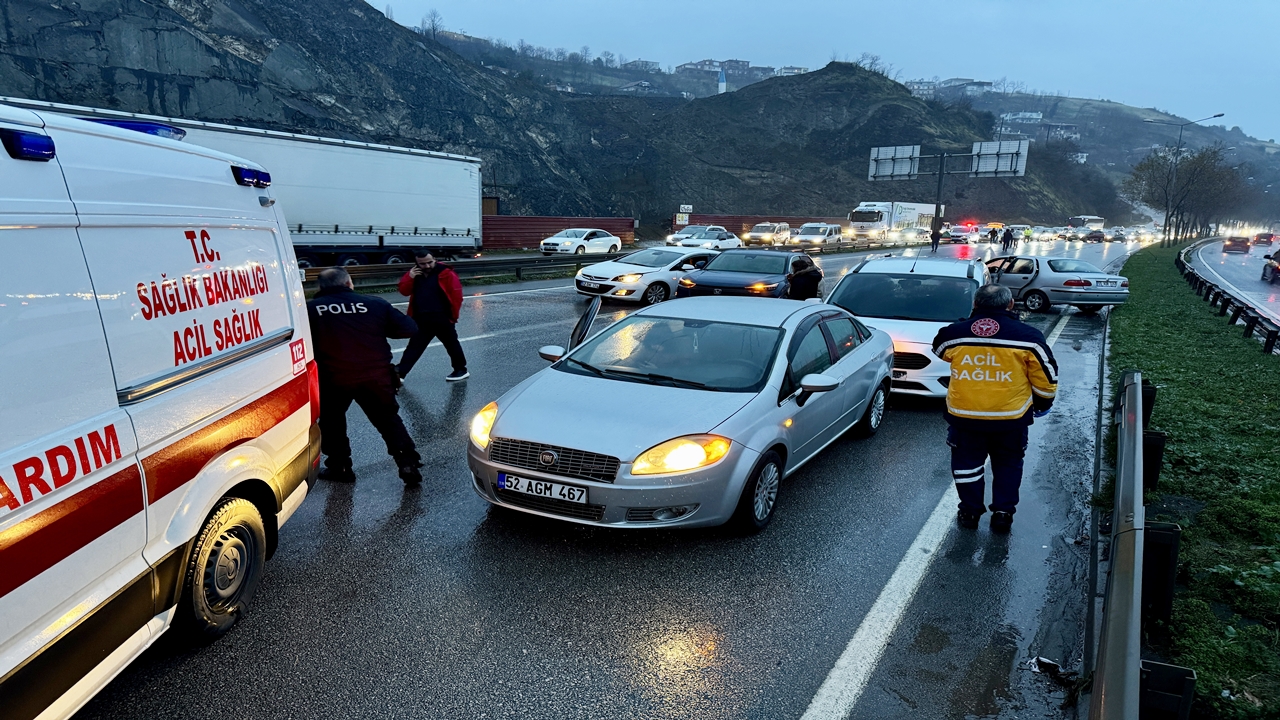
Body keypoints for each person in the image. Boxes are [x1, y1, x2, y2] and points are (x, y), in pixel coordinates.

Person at [931, 284, 1058, 532]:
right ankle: (1002, 514)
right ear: (1010, 304)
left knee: (967, 466)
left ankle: (969, 513)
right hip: (1011, 418)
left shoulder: (955, 334)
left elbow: (940, 349)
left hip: (965, 417)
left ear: (976, 305)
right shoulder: (1029, 337)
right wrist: (1043, 403)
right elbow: (1047, 378)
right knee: (1008, 464)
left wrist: (968, 324)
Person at [307, 268, 424, 485]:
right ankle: (407, 463)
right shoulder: (375, 304)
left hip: (333, 379)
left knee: (332, 423)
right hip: (376, 377)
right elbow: (409, 328)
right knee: (388, 420)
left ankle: (341, 468)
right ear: (349, 284)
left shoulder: (310, 310)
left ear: (320, 288)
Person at [397, 250, 468, 381]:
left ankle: (461, 369)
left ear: (434, 259)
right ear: (417, 263)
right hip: (421, 318)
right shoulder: (414, 274)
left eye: (430, 262)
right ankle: (400, 373)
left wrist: (453, 317)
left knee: (451, 344)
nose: (427, 266)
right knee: (414, 346)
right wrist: (409, 277)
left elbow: (456, 296)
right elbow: (404, 291)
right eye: (423, 264)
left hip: (442, 317)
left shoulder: (446, 273)